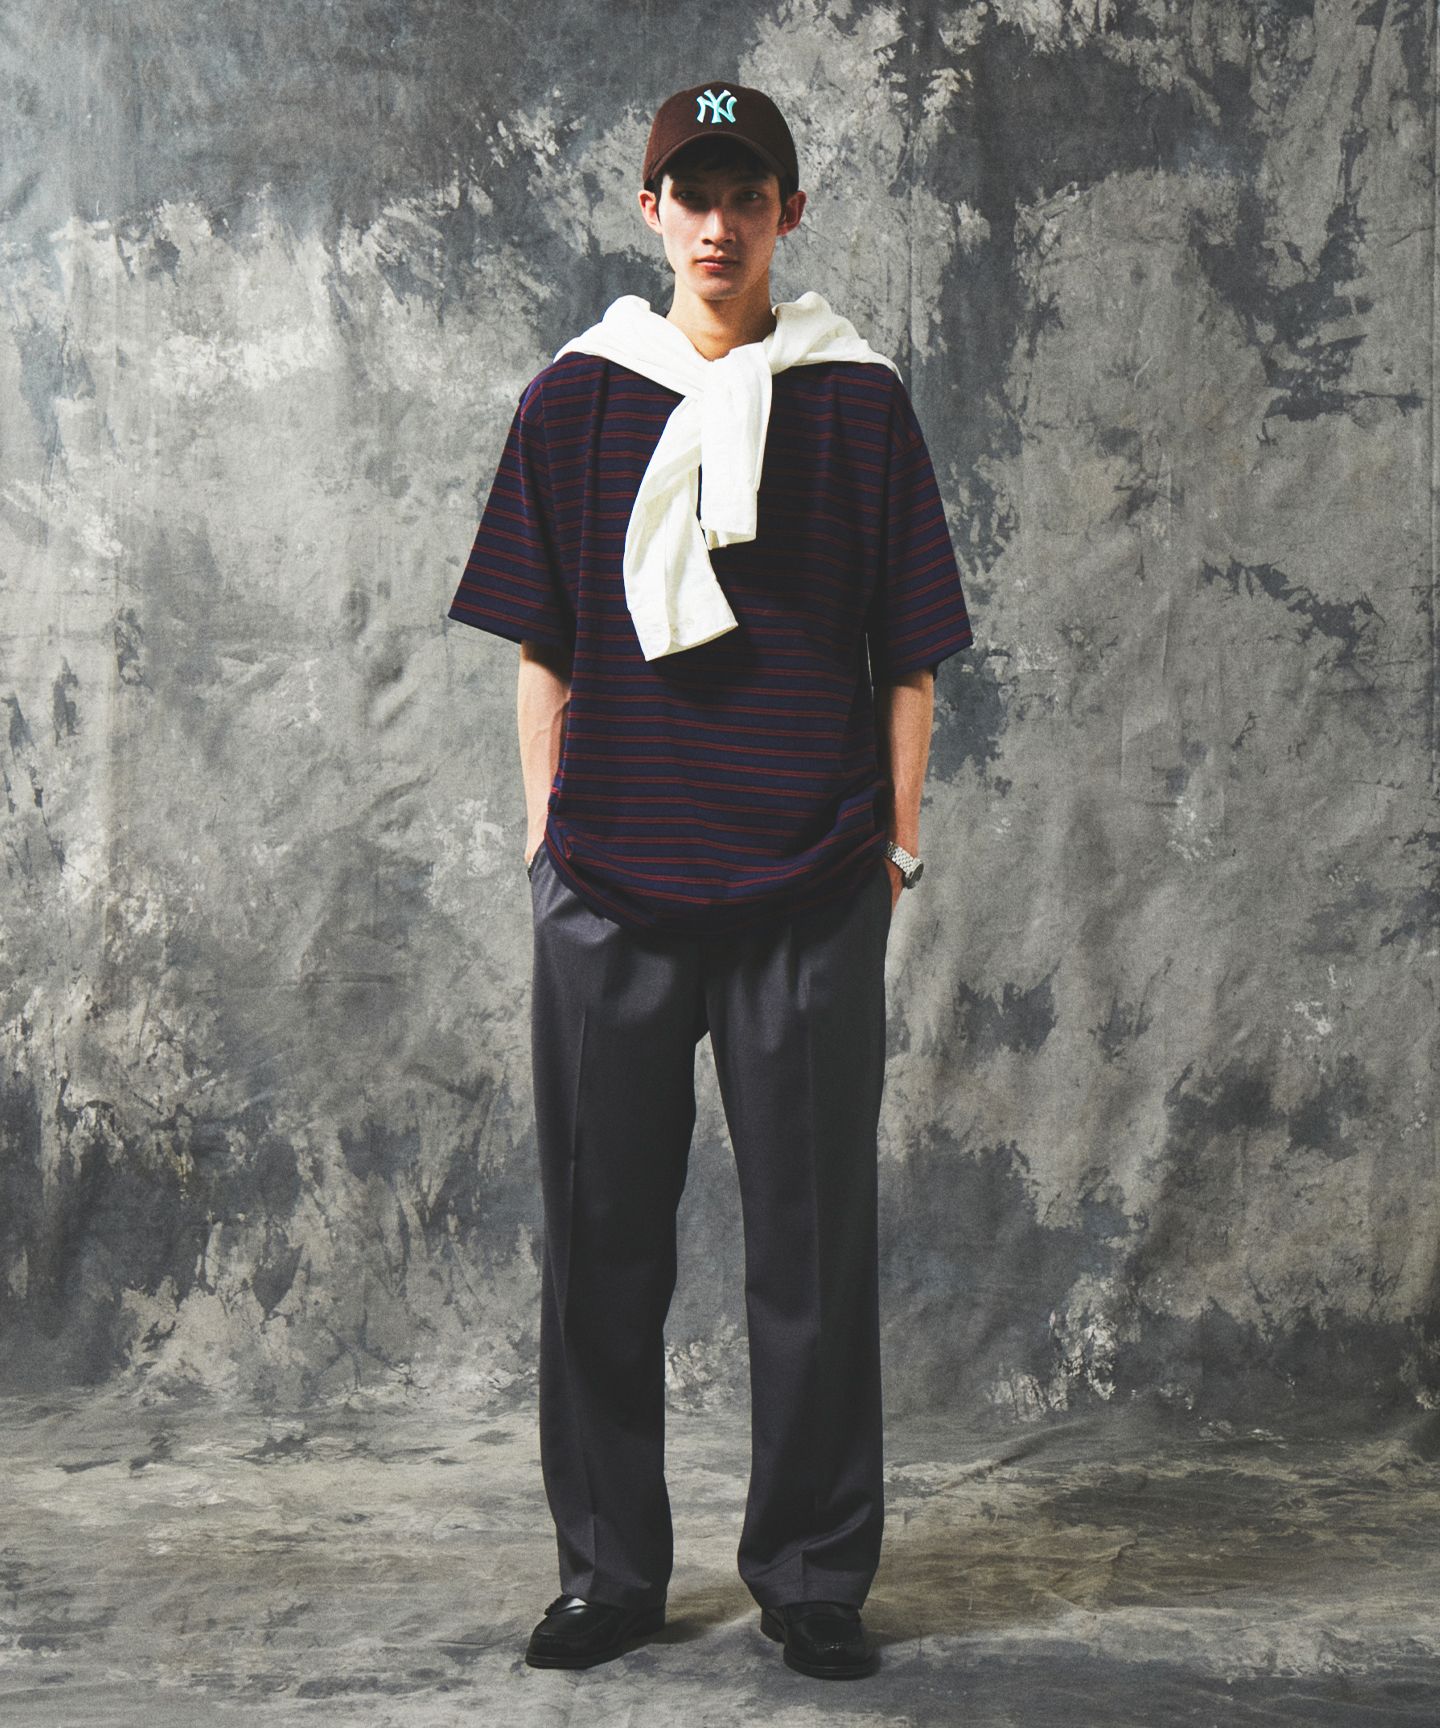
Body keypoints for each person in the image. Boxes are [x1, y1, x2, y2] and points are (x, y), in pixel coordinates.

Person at [446, 80, 972, 1681]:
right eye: (695, 195)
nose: (721, 225)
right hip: (611, 887)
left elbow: (909, 655)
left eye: (750, 196)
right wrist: (546, 833)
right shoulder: (574, 399)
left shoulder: (858, 403)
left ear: (789, 215)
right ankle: (609, 1574)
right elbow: (542, 645)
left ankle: (811, 1574)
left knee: (811, 1252)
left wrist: (893, 845)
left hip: (809, 883)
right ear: (652, 212)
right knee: (601, 1247)